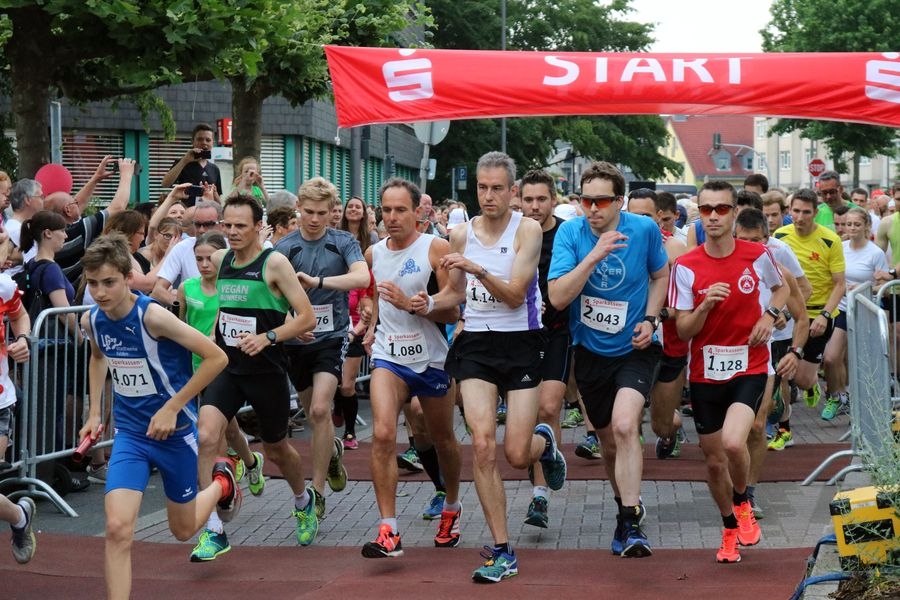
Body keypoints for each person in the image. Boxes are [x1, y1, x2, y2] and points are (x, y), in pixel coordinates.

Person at [77, 234, 234, 600]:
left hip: (175, 433)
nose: (100, 292)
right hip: (131, 435)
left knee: (182, 531)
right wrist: (95, 410)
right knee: (117, 528)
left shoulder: (153, 316)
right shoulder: (93, 320)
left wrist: (172, 406)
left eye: (109, 282)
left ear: (128, 278)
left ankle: (222, 484)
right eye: (93, 283)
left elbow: (217, 358)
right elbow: (99, 358)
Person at [437, 151, 565, 583]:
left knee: (515, 454)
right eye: (481, 187)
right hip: (475, 345)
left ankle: (543, 444)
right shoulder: (459, 234)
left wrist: (477, 267)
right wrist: (424, 303)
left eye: (496, 188)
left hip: (522, 344)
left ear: (512, 191)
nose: (487, 196)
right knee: (484, 444)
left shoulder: (526, 229)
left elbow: (514, 295)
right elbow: (454, 297)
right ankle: (502, 549)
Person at [548, 162, 668, 558]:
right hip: (590, 351)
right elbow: (559, 298)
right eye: (586, 200)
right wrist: (594, 255)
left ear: (620, 200)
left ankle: (632, 521)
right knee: (607, 441)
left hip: (635, 347)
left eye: (602, 201)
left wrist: (651, 319)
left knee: (625, 424)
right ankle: (624, 508)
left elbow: (660, 275)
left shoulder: (644, 229)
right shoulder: (571, 232)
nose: (593, 208)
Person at [670, 180, 788, 564]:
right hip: (705, 373)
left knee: (735, 443)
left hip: (750, 364)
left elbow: (781, 291)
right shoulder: (686, 266)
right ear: (699, 215)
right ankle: (728, 527)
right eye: (707, 210)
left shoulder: (757, 254)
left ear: (735, 212)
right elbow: (683, 329)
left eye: (722, 209)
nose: (714, 216)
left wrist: (770, 315)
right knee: (714, 460)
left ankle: (742, 503)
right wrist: (704, 307)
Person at [195, 194, 318, 558]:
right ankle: (213, 530)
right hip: (227, 367)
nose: (231, 232)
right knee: (205, 435)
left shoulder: (274, 263)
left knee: (279, 447)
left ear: (258, 227)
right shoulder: (220, 260)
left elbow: (306, 317)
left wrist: (268, 337)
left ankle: (302, 500)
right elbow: (223, 307)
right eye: (226, 225)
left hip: (266, 370)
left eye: (240, 226)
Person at [358, 177, 463, 559]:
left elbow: (454, 307)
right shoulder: (373, 254)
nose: (392, 217)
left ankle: (451, 505)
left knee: (443, 439)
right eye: (386, 210)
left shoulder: (436, 248)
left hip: (432, 358)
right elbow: (372, 298)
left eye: (401, 209)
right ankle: (389, 529)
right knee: (383, 435)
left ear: (419, 211)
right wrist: (369, 324)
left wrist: (417, 305)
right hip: (388, 356)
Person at [273, 178, 368, 519]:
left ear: (332, 212)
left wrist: (320, 283)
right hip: (298, 340)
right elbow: (273, 294)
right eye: (308, 212)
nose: (314, 219)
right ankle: (332, 453)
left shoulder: (343, 241)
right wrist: (292, 321)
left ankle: (317, 491)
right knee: (310, 408)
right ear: (298, 208)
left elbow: (361, 277)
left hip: (332, 337)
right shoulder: (284, 247)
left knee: (318, 410)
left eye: (322, 213)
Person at [519, 168, 572, 529]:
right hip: (518, 336)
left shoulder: (566, 234)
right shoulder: (511, 233)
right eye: (528, 199)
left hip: (557, 331)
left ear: (554, 200)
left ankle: (540, 497)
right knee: (524, 422)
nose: (535, 206)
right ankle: (544, 462)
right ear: (518, 200)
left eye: (542, 199)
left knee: (549, 407)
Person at [625, 188, 688, 460]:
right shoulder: (614, 244)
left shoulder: (673, 247)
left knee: (661, 424)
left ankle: (673, 430)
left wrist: (659, 315)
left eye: (646, 216)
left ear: (659, 216)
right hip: (630, 341)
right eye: (633, 215)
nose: (639, 221)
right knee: (628, 414)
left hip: (669, 343)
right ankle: (631, 452)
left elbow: (686, 302)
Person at [773, 189, 846, 409]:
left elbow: (840, 284)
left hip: (817, 314)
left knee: (803, 380)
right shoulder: (780, 236)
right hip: (789, 312)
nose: (800, 217)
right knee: (784, 369)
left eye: (806, 212)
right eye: (796, 211)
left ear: (815, 212)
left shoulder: (830, 239)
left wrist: (825, 315)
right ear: (789, 211)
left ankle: (812, 384)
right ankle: (783, 424)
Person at [821, 207, 889, 420]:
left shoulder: (875, 253)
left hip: (865, 310)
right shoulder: (839, 248)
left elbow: (882, 285)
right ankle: (838, 396)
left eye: (856, 224)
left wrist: (861, 288)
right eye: (847, 224)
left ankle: (870, 408)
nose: (851, 228)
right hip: (843, 308)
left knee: (861, 362)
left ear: (867, 226)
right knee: (831, 358)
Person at [161, 123, 223, 206]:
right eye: (200, 139)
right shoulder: (182, 162)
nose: (204, 143)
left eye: (208, 140)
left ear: (213, 143)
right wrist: (184, 161)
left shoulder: (214, 168)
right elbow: (165, 184)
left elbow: (218, 200)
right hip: (186, 213)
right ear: (192, 142)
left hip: (208, 214)